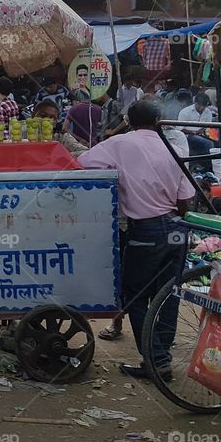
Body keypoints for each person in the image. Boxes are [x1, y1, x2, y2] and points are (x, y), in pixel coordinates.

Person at [78, 101, 195, 380]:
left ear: (129, 121)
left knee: (136, 296)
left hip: (146, 230)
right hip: (176, 228)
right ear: (158, 121)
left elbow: (83, 162)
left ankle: (155, 360)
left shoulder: (120, 143)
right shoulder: (176, 149)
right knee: (169, 294)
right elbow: (185, 201)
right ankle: (162, 355)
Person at [177, 93, 216, 164]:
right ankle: (209, 164)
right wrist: (194, 133)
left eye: (204, 106)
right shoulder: (185, 112)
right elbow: (180, 128)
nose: (202, 108)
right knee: (209, 143)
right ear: (196, 103)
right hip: (188, 135)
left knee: (217, 141)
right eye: (200, 105)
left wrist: (201, 131)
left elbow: (207, 125)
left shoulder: (208, 112)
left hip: (203, 134)